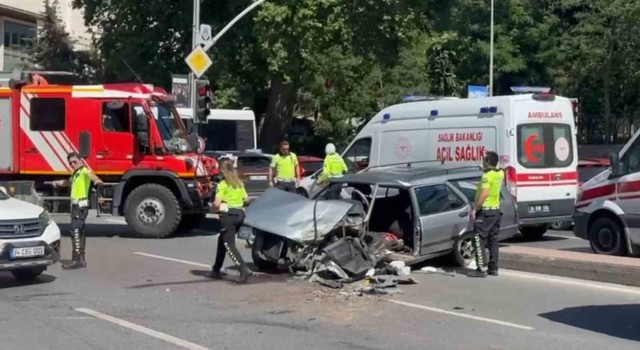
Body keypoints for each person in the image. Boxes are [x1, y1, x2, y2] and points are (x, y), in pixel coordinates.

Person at [49, 152, 103, 270]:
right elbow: (68, 182)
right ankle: (81, 260)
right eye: (70, 163)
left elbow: (92, 176)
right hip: (76, 206)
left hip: (80, 206)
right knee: (80, 231)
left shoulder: (84, 171)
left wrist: (97, 180)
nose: (73, 164)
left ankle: (76, 260)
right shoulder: (75, 174)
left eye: (75, 162)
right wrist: (56, 183)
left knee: (75, 231)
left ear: (81, 161)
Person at [210, 161, 252, 284]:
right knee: (222, 240)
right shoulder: (239, 183)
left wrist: (212, 208)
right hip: (240, 214)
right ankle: (216, 269)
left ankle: (243, 270)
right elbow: (247, 200)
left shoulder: (222, 184)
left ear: (222, 171)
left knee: (229, 245)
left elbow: (217, 203)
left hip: (228, 216)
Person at [468, 151, 504, 278]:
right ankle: (493, 268)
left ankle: (481, 268)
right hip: (496, 211)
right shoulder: (500, 173)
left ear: (488, 162)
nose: (482, 162)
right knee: (493, 240)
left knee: (479, 239)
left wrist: (475, 209)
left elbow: (484, 193)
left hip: (485, 212)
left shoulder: (486, 176)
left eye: (484, 160)